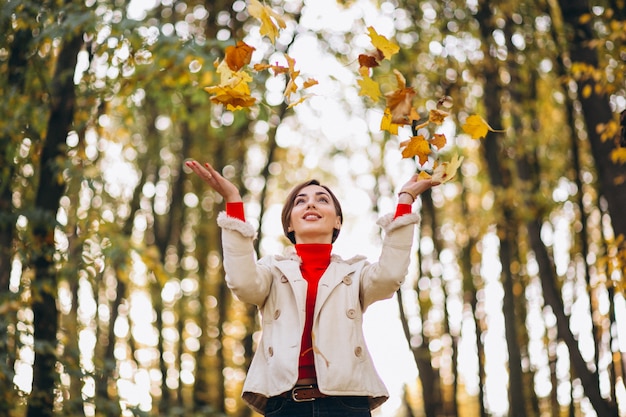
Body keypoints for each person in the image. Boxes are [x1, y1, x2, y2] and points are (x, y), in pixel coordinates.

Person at [185, 160, 436, 417]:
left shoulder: (355, 272)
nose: (311, 204)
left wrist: (405, 199)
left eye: (322, 200)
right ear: (290, 224)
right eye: (300, 201)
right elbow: (243, 284)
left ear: (337, 222)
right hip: (285, 404)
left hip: (347, 404)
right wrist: (233, 200)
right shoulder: (272, 271)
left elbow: (390, 276)